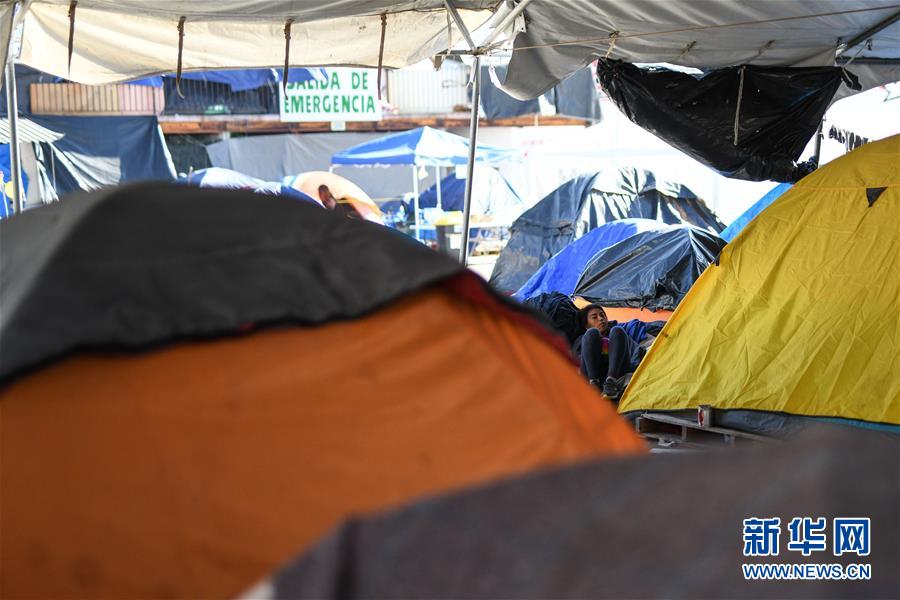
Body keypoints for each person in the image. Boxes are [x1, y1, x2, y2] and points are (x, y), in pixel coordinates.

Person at [574, 304, 661, 401]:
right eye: (594, 317)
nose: (601, 319)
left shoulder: (618, 335)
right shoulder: (583, 339)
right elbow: (578, 362)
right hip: (593, 373)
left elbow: (634, 353)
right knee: (592, 333)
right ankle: (594, 384)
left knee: (617, 330)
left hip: (617, 372)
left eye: (602, 315)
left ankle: (611, 381)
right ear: (586, 325)